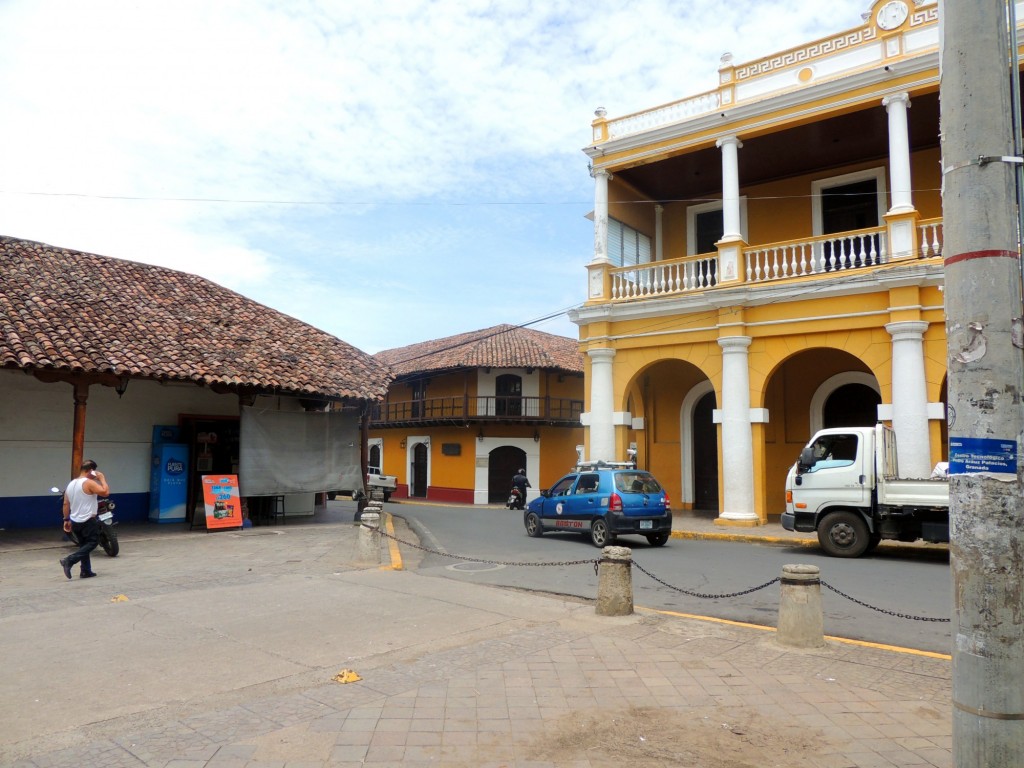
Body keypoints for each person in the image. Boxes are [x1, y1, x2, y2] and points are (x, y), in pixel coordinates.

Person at [59, 459, 110, 580]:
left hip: (75, 520)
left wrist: (66, 520)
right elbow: (105, 492)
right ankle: (69, 560)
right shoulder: (88, 483)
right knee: (93, 543)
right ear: (91, 471)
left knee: (83, 545)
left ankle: (86, 571)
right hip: (88, 520)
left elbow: (66, 504)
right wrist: (102, 478)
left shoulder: (70, 484)